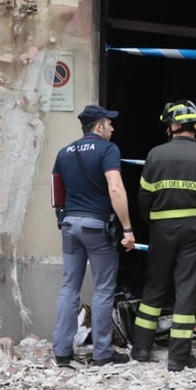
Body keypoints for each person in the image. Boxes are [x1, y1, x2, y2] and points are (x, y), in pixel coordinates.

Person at [130, 100, 196, 371]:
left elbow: (143, 198)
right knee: (186, 288)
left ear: (171, 125)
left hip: (161, 229)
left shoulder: (155, 154)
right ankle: (178, 357)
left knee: (155, 285)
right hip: (195, 230)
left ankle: (140, 348)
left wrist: (153, 223)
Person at [51, 104, 136, 367]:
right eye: (109, 123)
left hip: (70, 225)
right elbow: (116, 188)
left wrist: (62, 219)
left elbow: (56, 192)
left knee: (69, 287)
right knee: (103, 289)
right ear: (98, 126)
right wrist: (127, 228)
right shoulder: (108, 150)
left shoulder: (64, 152)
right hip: (97, 226)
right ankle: (102, 353)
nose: (113, 127)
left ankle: (62, 351)